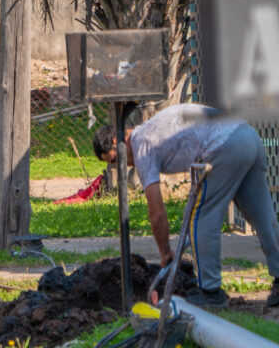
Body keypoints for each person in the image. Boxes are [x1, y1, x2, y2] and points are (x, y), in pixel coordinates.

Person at [94, 103, 279, 308]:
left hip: (223, 146)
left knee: (199, 218)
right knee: (264, 217)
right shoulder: (151, 129)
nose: (124, 165)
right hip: (246, 135)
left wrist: (165, 253)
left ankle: (211, 292)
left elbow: (156, 211)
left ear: (116, 141)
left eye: (114, 159)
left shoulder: (141, 146)